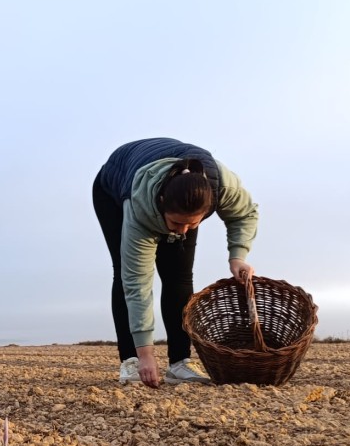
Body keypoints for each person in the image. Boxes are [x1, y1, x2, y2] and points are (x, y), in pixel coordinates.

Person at [93, 138, 258, 388]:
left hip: (179, 193)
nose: (182, 231)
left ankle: (179, 361)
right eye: (175, 224)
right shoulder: (140, 209)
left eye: (191, 224)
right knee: (125, 273)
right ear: (161, 205)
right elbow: (137, 283)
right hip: (114, 189)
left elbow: (244, 213)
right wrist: (146, 354)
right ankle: (131, 360)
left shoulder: (221, 185)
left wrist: (237, 256)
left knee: (179, 276)